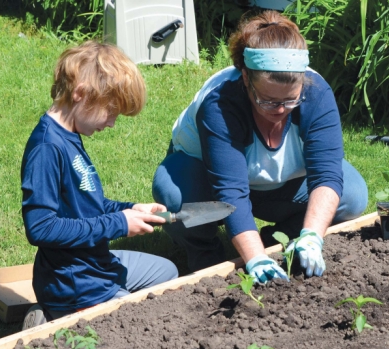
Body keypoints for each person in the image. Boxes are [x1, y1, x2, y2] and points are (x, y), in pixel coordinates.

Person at [152, 10, 368, 283]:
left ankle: (277, 240)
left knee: (352, 194)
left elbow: (326, 174)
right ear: (245, 79)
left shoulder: (317, 94)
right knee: (176, 199)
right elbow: (229, 191)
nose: (280, 109)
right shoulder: (220, 105)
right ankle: (207, 257)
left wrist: (312, 236)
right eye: (267, 100)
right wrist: (254, 259)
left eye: (290, 100)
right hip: (207, 183)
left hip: (283, 185)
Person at [20, 41, 178, 330]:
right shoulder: (47, 147)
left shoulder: (70, 134)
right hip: (72, 281)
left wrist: (131, 209)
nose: (112, 123)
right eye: (111, 112)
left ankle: (65, 316)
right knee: (135, 328)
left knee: (167, 272)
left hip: (93, 262)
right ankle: (49, 319)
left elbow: (88, 206)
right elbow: (40, 227)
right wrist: (118, 223)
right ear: (81, 94)